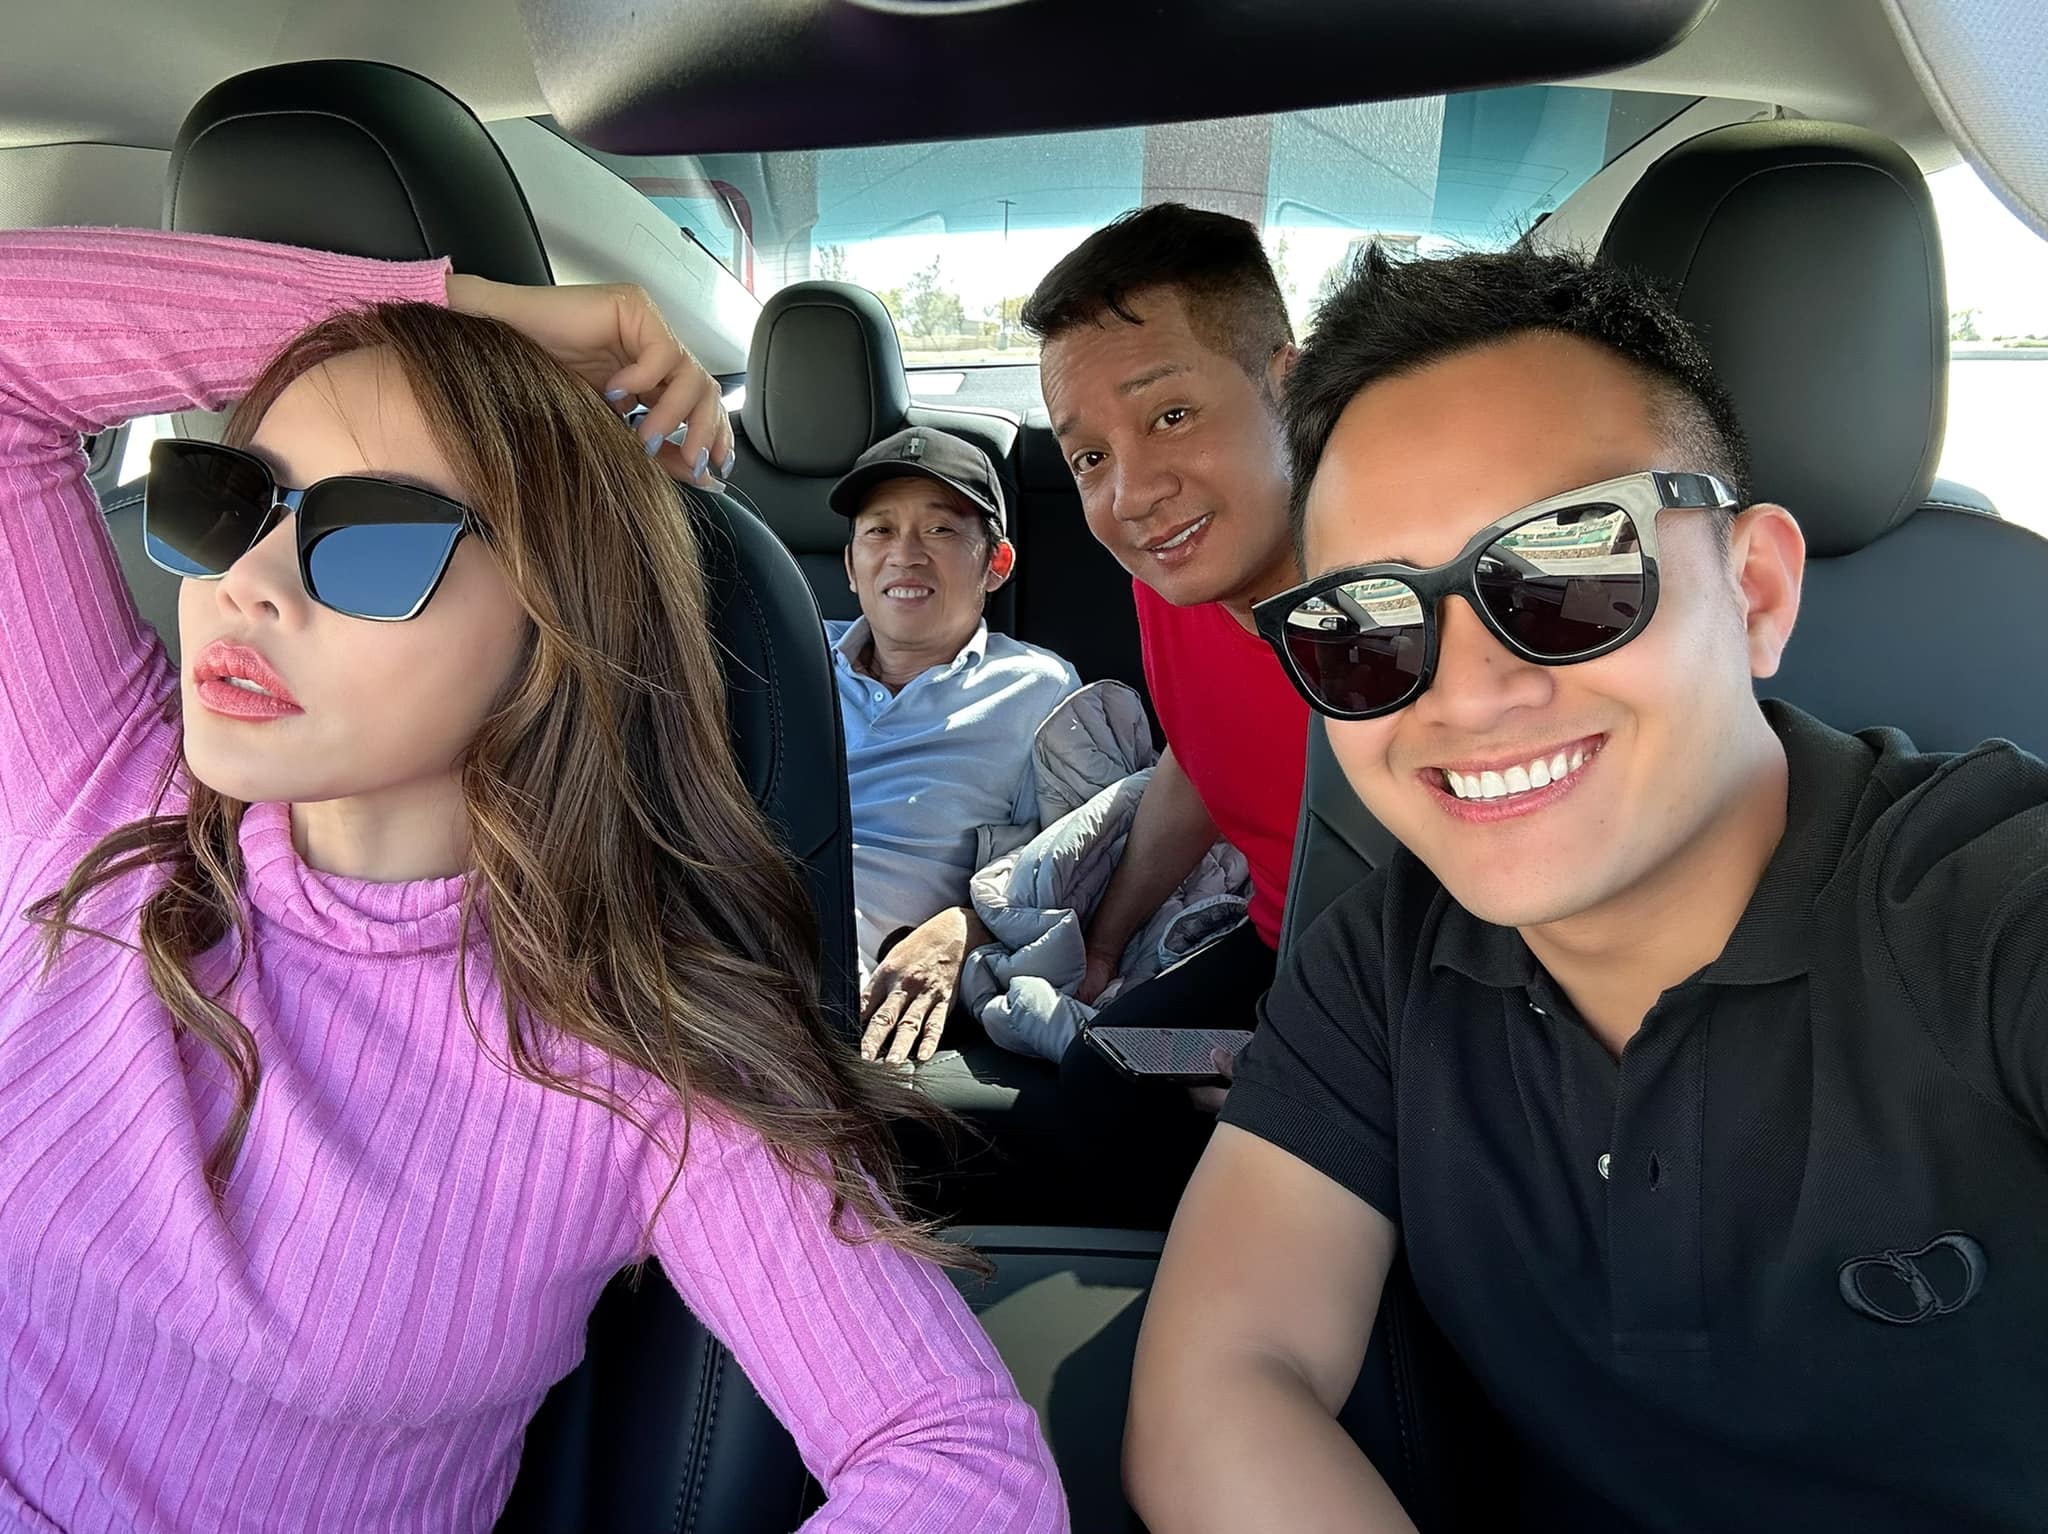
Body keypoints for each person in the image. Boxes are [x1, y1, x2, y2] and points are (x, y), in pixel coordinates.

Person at [0, 226, 1066, 1534]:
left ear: (552, 621)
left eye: (374, 540)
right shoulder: (103, 802)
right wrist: (457, 304)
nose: (248, 583)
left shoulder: (643, 1072)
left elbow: (961, 1459)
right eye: (226, 499)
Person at [1127, 241, 2048, 1532]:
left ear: (1754, 592)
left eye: (1564, 572)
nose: (1466, 694)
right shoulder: (1381, 965)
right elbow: (1220, 1377)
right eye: (1368, 628)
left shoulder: (1985, 902)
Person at [1020, 204, 1309, 1218]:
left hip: (1429, 1003)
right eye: (1089, 458)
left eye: (1170, 415)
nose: (1132, 493)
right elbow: (1201, 758)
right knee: (1107, 1073)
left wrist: (1329, 1068)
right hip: (1284, 955)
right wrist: (1107, 941)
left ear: (1287, 384)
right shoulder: (1170, 584)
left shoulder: (1401, 603)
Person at [828, 426, 1081, 1067]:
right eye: (880, 530)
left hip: (840, 988)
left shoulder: (1038, 688)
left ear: (997, 564)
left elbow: (1074, 865)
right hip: (699, 933)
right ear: (851, 565)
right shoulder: (780, 652)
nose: (905, 555)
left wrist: (964, 926)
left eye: (940, 530)